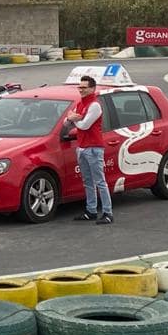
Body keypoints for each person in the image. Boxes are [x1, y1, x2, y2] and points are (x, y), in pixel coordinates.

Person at [65, 75, 113, 224]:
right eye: (80, 87)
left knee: (100, 181)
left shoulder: (94, 105)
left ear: (92, 88)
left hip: (94, 148)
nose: (81, 90)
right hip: (82, 147)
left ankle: (107, 212)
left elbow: (84, 125)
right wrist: (74, 118)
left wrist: (75, 119)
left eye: (84, 87)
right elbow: (66, 122)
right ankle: (91, 210)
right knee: (87, 181)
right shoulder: (80, 103)